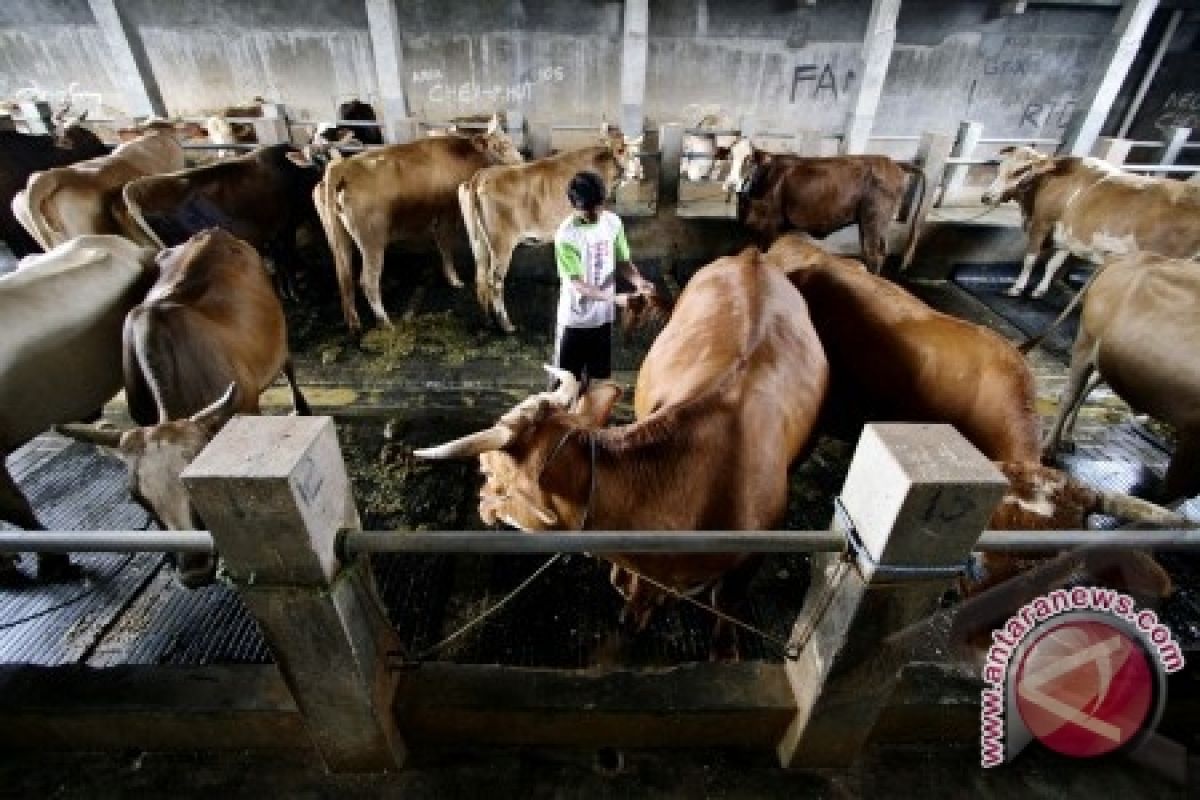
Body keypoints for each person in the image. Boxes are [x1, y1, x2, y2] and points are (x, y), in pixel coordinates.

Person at [552, 170, 653, 383]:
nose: (595, 214)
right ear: (574, 205)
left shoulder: (613, 223)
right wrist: (616, 299)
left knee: (599, 382)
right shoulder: (566, 235)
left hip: (603, 319)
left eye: (599, 206)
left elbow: (623, 262)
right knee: (566, 386)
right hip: (575, 320)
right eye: (588, 210)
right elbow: (578, 285)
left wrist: (639, 281)